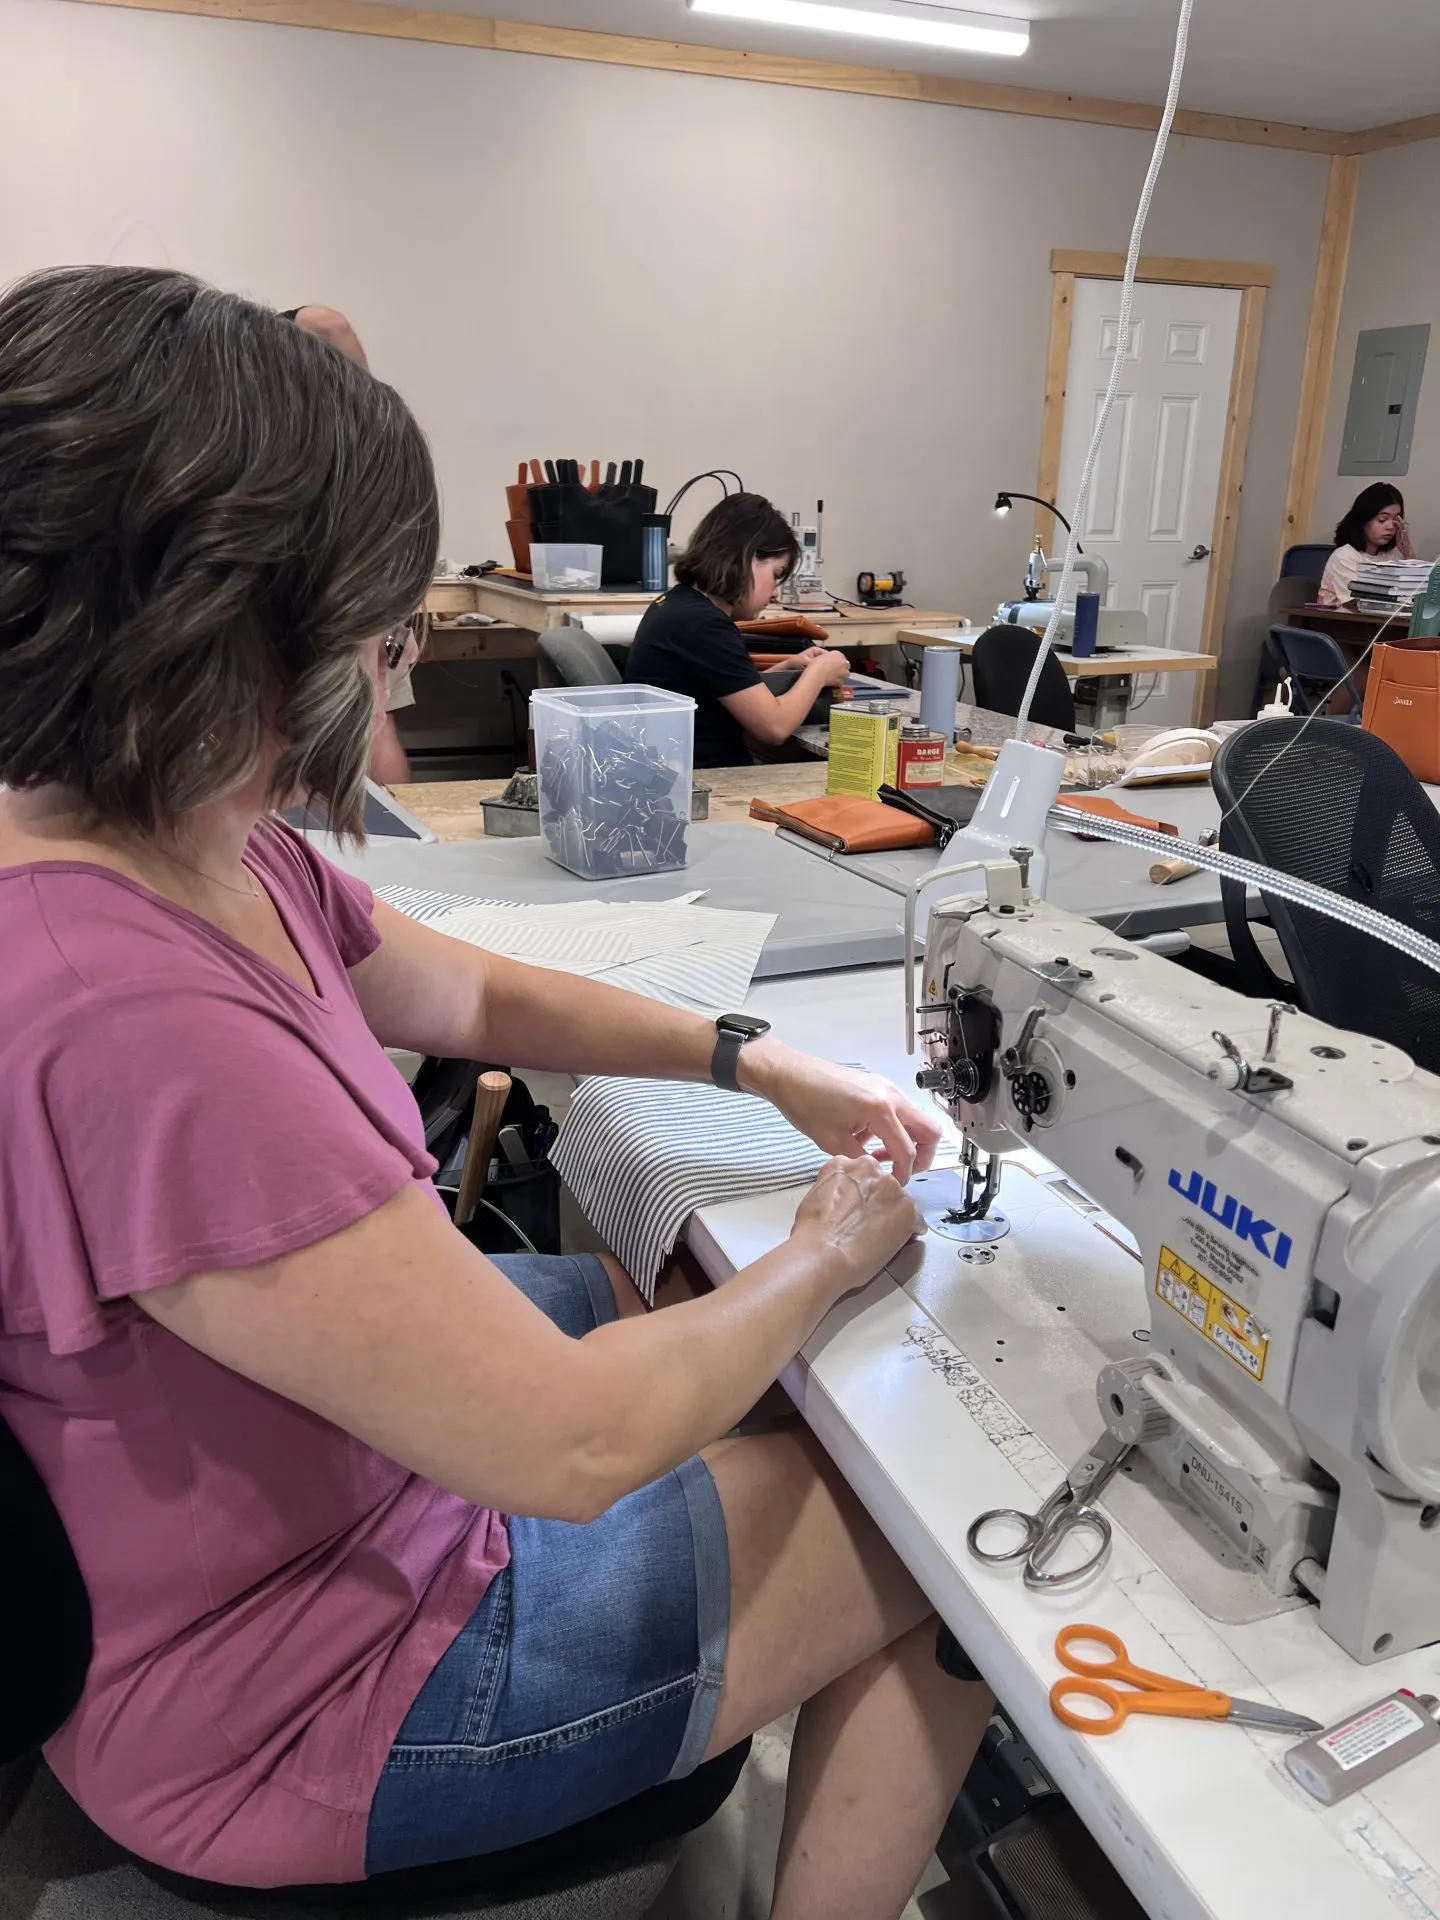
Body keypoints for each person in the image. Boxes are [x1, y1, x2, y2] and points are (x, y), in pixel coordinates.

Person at [0, 266, 990, 1916]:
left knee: (631, 1282)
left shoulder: (178, 843)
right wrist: (826, 1245)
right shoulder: (132, 1010)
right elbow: (576, 1440)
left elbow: (465, 988)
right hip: (298, 1701)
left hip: (281, 1548)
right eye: (376, 632)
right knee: (926, 1533)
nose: (397, 677)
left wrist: (754, 1054)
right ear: (237, 635)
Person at [283, 302, 418, 783]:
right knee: (371, 723)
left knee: (368, 724)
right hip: (353, 580)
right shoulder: (358, 438)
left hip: (346, 581)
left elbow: (325, 322)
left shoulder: (341, 435)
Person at [626, 493, 850, 767]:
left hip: (676, 771)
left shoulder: (677, 604)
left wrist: (787, 666)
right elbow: (773, 728)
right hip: (706, 781)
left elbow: (720, 691)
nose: (776, 593)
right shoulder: (704, 624)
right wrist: (819, 673)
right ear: (747, 559)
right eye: (777, 575)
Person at [1318, 482, 1415, 607]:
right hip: (1342, 623)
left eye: (1396, 520)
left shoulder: (1392, 557)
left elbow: (1415, 596)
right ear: (1363, 520)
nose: (1390, 527)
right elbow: (1359, 605)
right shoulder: (1345, 557)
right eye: (1382, 520)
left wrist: (1408, 553)